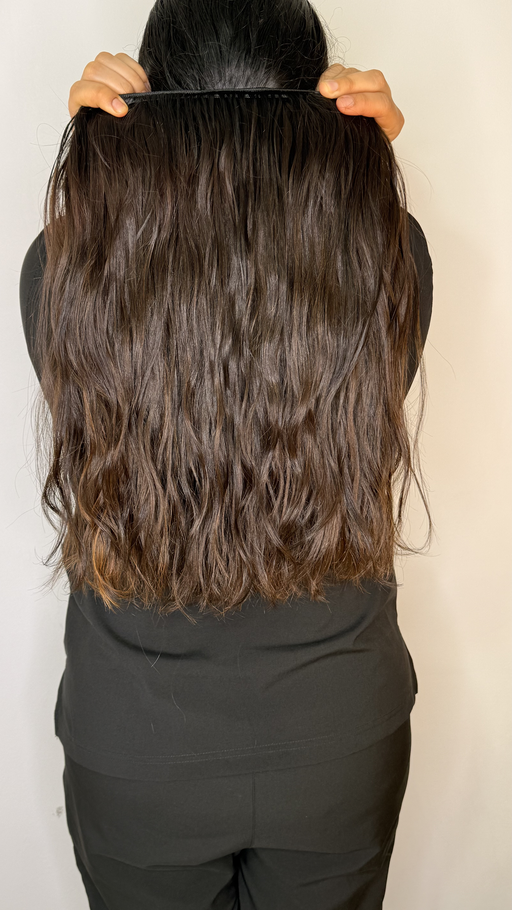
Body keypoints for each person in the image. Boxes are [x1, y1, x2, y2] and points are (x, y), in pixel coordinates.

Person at [19, 1, 433, 908]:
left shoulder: (61, 271)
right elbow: (389, 249)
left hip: (138, 751)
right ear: (317, 109)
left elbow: (80, 262)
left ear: (148, 105)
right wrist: (371, 164)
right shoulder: (392, 257)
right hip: (337, 739)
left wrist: (99, 163)